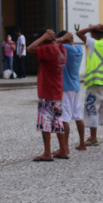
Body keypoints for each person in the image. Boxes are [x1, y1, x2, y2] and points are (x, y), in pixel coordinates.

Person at [29, 29, 68, 161]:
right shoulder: (61, 48)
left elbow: (30, 49)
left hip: (47, 91)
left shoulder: (49, 49)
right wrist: (54, 38)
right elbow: (55, 43)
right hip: (57, 91)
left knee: (45, 123)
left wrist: (43, 37)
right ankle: (63, 149)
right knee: (57, 122)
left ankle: (47, 152)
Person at [76, 24, 103, 144]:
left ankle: (93, 138)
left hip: (94, 81)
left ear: (94, 35)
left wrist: (91, 27)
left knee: (91, 108)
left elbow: (79, 34)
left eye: (91, 33)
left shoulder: (94, 43)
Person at [58, 30, 86, 155]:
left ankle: (65, 147)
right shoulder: (79, 48)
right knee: (78, 116)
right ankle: (82, 142)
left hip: (66, 87)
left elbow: (53, 43)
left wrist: (62, 39)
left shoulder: (66, 48)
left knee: (65, 118)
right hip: (76, 87)